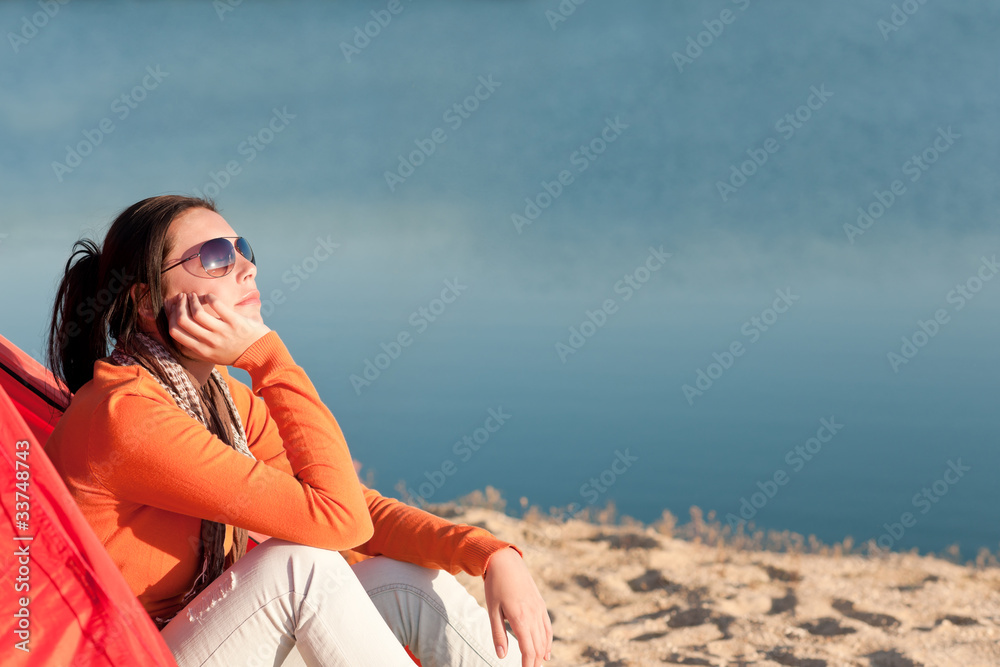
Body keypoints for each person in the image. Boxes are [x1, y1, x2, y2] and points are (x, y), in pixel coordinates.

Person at [43, 195, 553, 667]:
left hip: (197, 637)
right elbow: (338, 521)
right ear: (148, 301)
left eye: (243, 249)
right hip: (129, 655)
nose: (247, 267)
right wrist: (268, 358)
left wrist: (489, 553)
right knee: (298, 570)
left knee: (401, 581)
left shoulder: (218, 400)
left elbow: (356, 509)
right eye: (216, 256)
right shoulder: (126, 417)